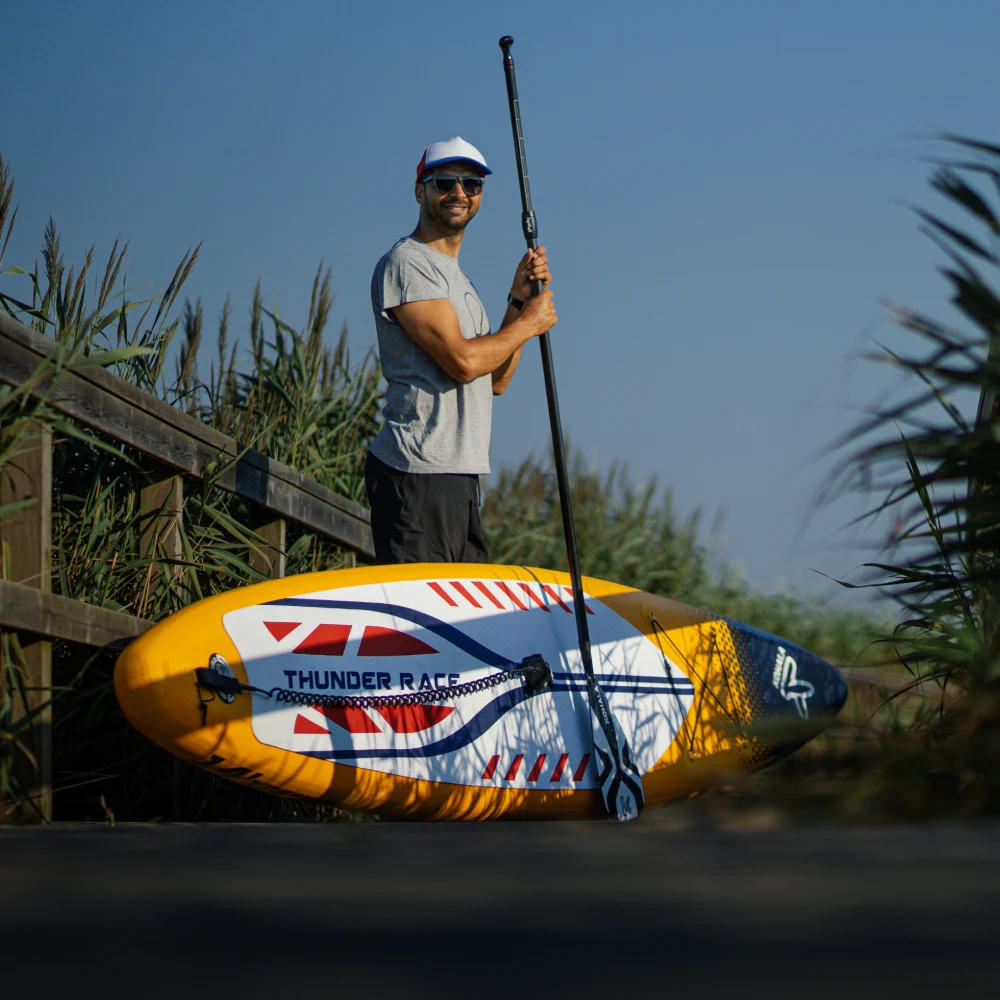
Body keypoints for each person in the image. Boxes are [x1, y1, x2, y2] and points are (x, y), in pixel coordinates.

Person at [365, 136, 556, 564]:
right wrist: (529, 323)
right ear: (421, 191)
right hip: (418, 470)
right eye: (444, 182)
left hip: (458, 474)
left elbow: (497, 380)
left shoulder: (459, 282)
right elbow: (463, 362)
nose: (459, 193)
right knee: (424, 622)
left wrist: (518, 303)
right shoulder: (408, 263)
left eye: (472, 185)